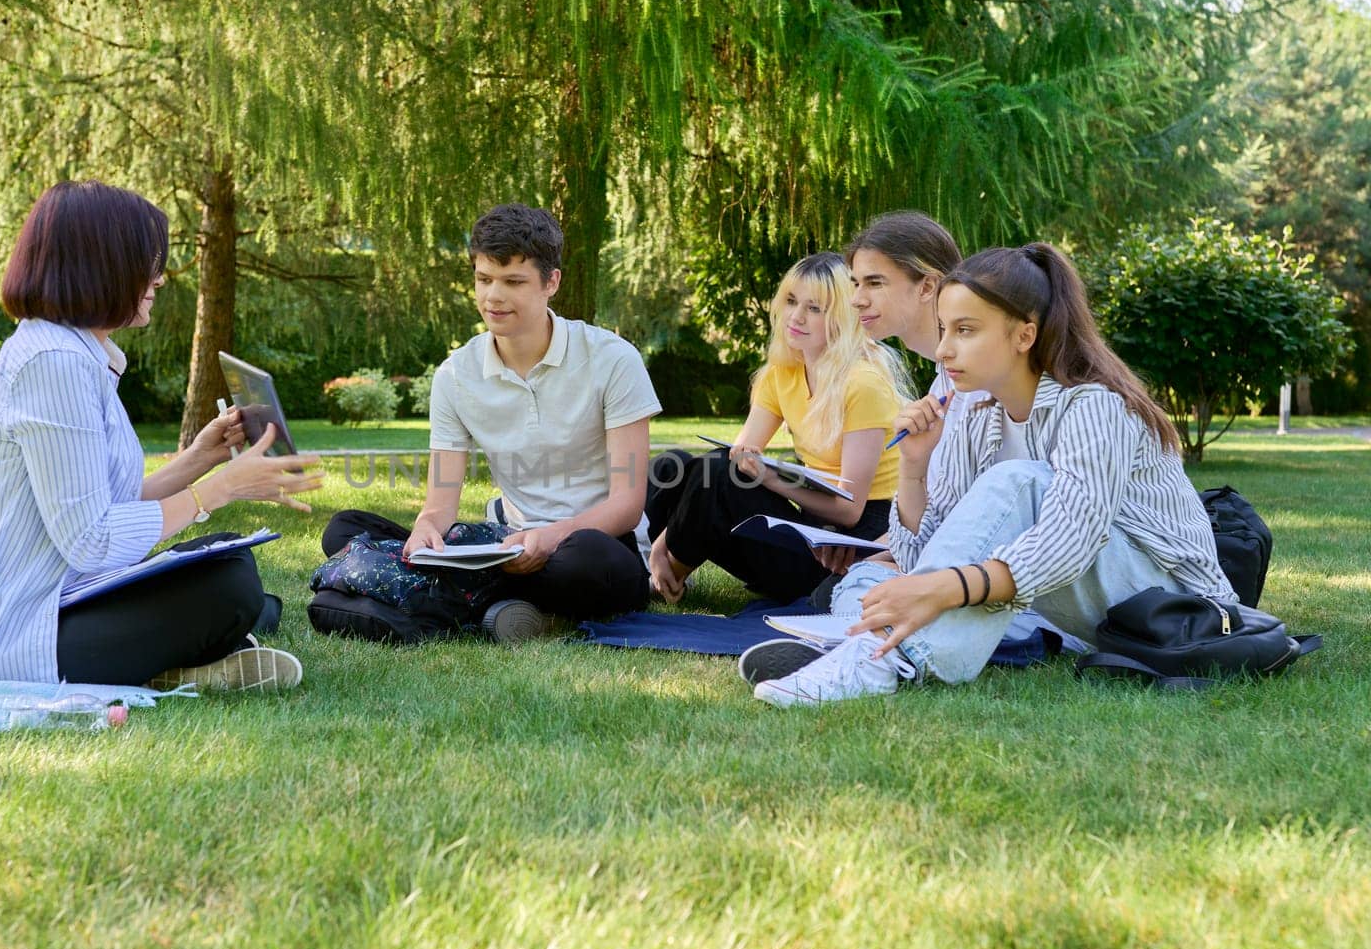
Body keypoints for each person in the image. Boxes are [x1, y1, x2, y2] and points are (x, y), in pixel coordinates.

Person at [752, 242, 1237, 706]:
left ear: (1024, 335)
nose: (942, 350)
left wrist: (941, 589)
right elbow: (927, 552)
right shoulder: (979, 411)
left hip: (1171, 608)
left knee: (1018, 482)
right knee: (868, 582)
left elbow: (1071, 542)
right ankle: (876, 648)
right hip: (1058, 601)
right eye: (942, 329)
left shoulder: (1094, 406)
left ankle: (880, 658)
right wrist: (915, 467)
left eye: (965, 331)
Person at [0, 181, 322, 691]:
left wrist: (200, 459)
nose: (157, 279)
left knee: (229, 556)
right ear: (103, 266)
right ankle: (189, 660)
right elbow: (92, 540)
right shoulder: (55, 364)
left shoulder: (76, 355)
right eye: (146, 262)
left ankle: (193, 651)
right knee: (230, 587)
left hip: (62, 599)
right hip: (11, 637)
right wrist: (222, 489)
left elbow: (102, 503)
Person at [319, 203, 660, 639]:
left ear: (550, 282)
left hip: (597, 547)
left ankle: (470, 596)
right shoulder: (455, 375)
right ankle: (503, 601)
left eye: (513, 281)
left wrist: (550, 537)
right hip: (508, 545)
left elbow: (627, 504)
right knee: (344, 528)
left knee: (585, 559)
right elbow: (440, 505)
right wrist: (426, 530)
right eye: (484, 279)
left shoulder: (612, 359)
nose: (493, 297)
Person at [644, 252, 912, 603]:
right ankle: (657, 562)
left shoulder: (863, 383)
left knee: (716, 473)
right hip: (809, 529)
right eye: (790, 301)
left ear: (842, 317)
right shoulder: (781, 373)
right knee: (675, 467)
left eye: (814, 308)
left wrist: (770, 478)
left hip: (849, 550)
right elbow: (736, 458)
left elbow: (850, 510)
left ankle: (665, 581)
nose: (796, 316)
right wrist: (664, 539)